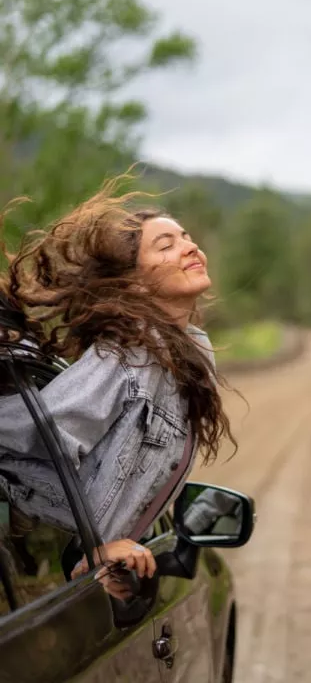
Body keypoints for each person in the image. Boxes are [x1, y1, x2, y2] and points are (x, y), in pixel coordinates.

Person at [0, 177, 235, 584]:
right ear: (134, 283)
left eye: (187, 237)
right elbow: (34, 435)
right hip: (59, 588)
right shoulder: (130, 357)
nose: (190, 247)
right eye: (166, 245)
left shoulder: (189, 350)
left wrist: (107, 553)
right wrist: (94, 544)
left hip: (94, 586)